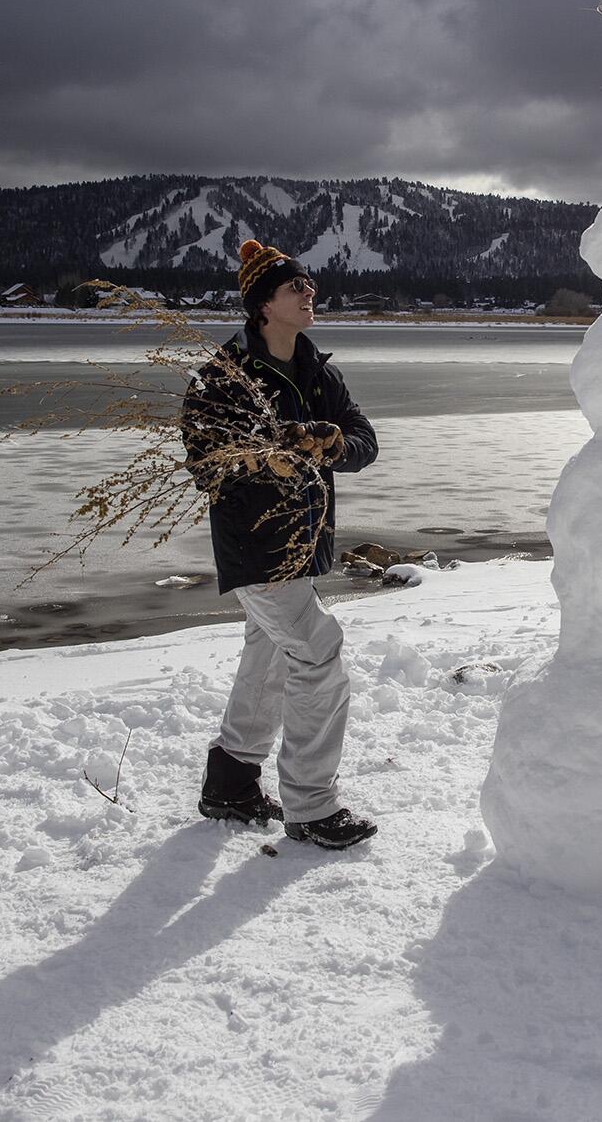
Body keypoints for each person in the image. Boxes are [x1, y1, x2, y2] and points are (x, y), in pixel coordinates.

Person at [180, 239, 380, 849]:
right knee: (318, 652)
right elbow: (206, 461)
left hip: (306, 544)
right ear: (263, 305)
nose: (310, 294)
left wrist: (329, 443)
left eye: (310, 286)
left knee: (268, 653)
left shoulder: (321, 372)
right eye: (297, 287)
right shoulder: (225, 376)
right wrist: (272, 464)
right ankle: (312, 807)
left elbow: (365, 442)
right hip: (256, 546)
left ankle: (231, 782)